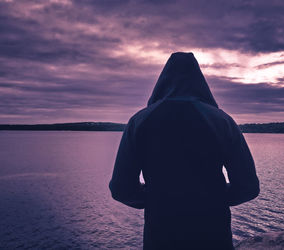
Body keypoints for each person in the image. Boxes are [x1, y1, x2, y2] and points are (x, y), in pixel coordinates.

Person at [109, 52, 259, 250]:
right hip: (213, 235)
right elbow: (248, 187)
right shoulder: (222, 121)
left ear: (162, 81)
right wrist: (212, 198)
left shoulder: (140, 122)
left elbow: (121, 188)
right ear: (200, 82)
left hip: (161, 236)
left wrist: (158, 198)